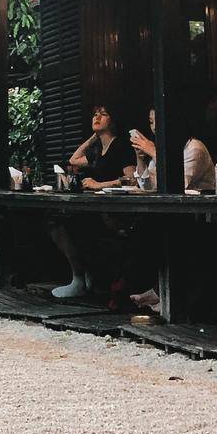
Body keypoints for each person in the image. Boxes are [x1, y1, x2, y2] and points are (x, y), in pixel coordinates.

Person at [49, 105, 134, 299]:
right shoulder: (97, 151)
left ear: (113, 122)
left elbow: (132, 179)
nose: (97, 117)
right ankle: (81, 278)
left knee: (63, 222)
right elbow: (73, 159)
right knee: (56, 219)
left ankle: (81, 278)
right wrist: (93, 137)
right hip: (97, 209)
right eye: (95, 114)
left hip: (116, 212)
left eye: (103, 114)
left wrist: (99, 184)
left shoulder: (120, 146)